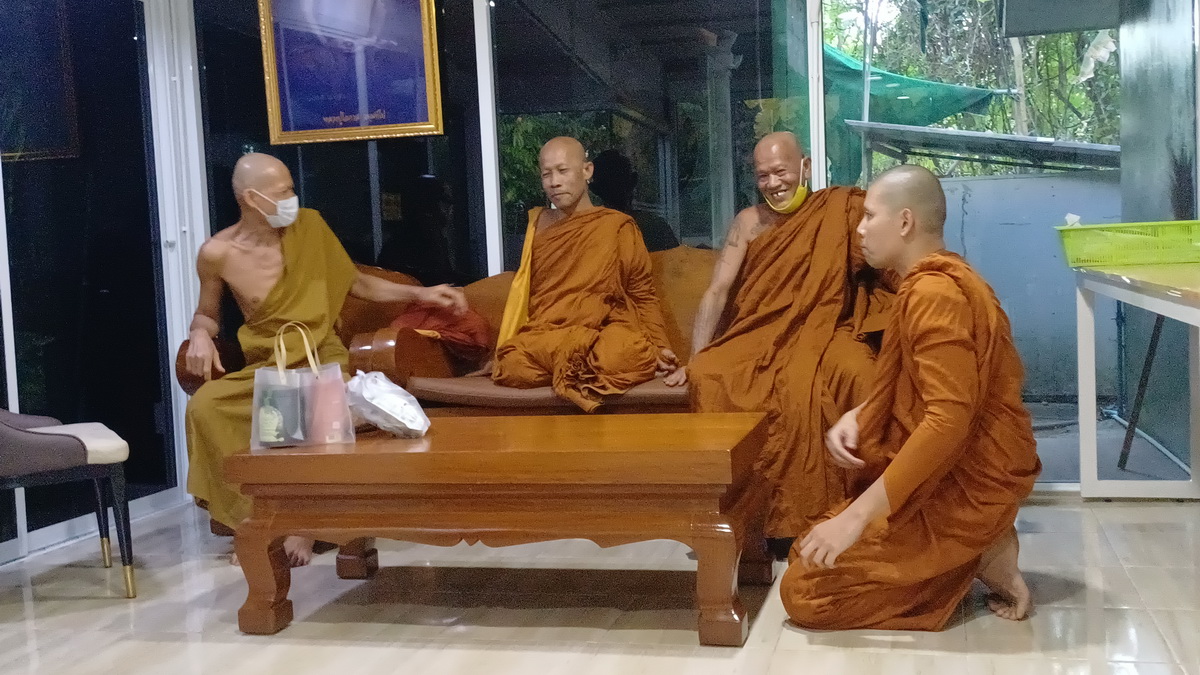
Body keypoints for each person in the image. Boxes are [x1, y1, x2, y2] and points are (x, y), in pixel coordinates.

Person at [781, 165, 1042, 630]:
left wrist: (856, 518)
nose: (859, 229)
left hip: (960, 488)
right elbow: (934, 387)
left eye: (869, 216)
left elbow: (948, 420)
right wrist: (864, 412)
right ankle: (972, 550)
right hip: (942, 476)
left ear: (905, 222)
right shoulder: (927, 283)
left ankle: (978, 553)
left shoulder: (935, 293)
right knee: (806, 552)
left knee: (805, 594)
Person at [184, 153, 466, 566]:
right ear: (252, 198)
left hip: (320, 354)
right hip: (269, 363)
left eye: (292, 189)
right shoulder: (217, 253)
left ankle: (305, 524)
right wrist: (199, 335)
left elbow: (358, 283)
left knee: (325, 402)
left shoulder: (310, 227)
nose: (293, 200)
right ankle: (257, 522)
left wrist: (421, 293)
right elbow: (206, 314)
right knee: (205, 407)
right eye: (283, 192)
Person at [675, 131, 894, 545]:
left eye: (781, 172)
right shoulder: (749, 222)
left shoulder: (840, 209)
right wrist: (693, 357)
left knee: (855, 373)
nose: (773, 183)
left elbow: (888, 260)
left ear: (805, 167)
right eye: (763, 176)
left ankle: (865, 511)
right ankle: (743, 518)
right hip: (760, 332)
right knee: (709, 374)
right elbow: (718, 290)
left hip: (826, 326)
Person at [485, 137, 683, 411]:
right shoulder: (537, 225)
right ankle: (573, 367)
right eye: (546, 174)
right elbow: (532, 297)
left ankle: (566, 367)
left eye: (562, 171)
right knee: (513, 363)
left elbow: (642, 294)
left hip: (600, 333)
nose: (554, 182)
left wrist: (661, 347)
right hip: (549, 334)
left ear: (587, 171)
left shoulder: (617, 226)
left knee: (622, 354)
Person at [590, 149, 680, 252]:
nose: (616, 189)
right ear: (633, 182)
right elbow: (676, 259)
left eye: (618, 183)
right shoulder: (654, 227)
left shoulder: (589, 230)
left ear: (595, 190)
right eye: (611, 184)